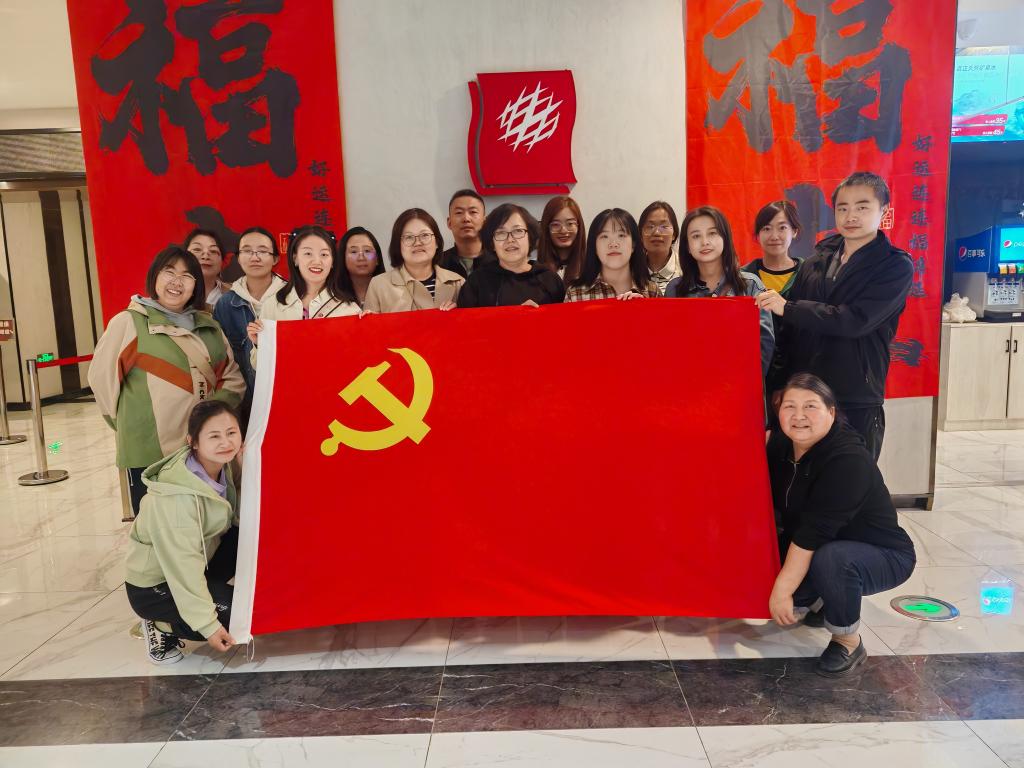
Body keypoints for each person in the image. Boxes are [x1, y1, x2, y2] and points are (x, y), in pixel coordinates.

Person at [767, 373, 915, 678]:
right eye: (789, 406)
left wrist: (782, 590)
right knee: (771, 569)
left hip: (881, 554)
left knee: (833, 560)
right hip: (820, 544)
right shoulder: (781, 445)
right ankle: (820, 596)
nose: (798, 416)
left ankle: (847, 640)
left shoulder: (849, 460)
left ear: (831, 412)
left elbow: (812, 534)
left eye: (810, 406)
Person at [757, 172, 913, 460]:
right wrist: (780, 383)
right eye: (843, 208)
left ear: (884, 211)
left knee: (851, 475)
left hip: (854, 395)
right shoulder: (816, 262)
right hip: (805, 393)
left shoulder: (894, 266)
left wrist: (788, 307)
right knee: (799, 473)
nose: (850, 216)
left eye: (862, 207)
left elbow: (854, 320)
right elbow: (790, 333)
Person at [89, 246, 245, 516]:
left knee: (210, 525)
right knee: (158, 528)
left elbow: (233, 379)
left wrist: (208, 417)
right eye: (169, 272)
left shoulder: (209, 327)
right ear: (155, 277)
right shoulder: (128, 323)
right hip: (150, 455)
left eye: (186, 276)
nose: (176, 281)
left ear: (195, 286)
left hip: (205, 452)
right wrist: (133, 427)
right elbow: (102, 382)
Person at [125, 400, 243, 664]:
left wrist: (247, 468)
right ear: (193, 442)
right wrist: (208, 625)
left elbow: (240, 520)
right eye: (214, 436)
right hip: (156, 587)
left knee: (245, 536)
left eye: (231, 433)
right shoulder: (175, 499)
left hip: (200, 562)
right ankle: (160, 624)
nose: (226, 442)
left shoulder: (220, 466)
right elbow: (183, 566)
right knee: (240, 615)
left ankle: (214, 598)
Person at [666, 206, 774, 376]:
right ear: (687, 246)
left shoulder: (749, 285)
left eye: (712, 233)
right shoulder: (675, 289)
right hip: (690, 382)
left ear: (725, 237)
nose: (705, 242)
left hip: (738, 383)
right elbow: (669, 345)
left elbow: (764, 344)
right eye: (696, 236)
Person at [212, 227, 287, 427]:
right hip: (244, 405)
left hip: (286, 397)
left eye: (262, 251)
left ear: (275, 258)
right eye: (247, 251)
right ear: (238, 257)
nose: (255, 257)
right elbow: (222, 359)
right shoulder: (226, 304)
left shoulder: (292, 297)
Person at [246, 225, 360, 355]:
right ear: (295, 258)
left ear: (333, 261)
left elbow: (358, 357)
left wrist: (370, 325)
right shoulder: (273, 305)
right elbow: (258, 364)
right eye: (308, 253)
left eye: (324, 254)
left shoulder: (349, 309)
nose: (317, 261)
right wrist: (259, 344)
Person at [457, 203, 565, 308]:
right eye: (501, 233)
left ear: (530, 237)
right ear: (492, 243)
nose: (510, 239)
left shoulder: (550, 280)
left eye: (518, 231)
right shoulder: (477, 282)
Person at [364, 209, 464, 312]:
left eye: (424, 235)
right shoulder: (378, 285)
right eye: (409, 237)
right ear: (398, 245)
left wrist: (460, 315)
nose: (417, 243)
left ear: (437, 242)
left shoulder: (458, 283)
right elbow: (370, 323)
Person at [566, 208, 660, 301]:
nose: (613, 244)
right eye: (604, 236)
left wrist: (644, 307)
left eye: (621, 235)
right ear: (594, 246)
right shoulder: (575, 294)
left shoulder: (652, 292)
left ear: (633, 245)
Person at [743, 200, 803, 337]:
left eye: (782, 228)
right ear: (757, 235)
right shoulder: (743, 277)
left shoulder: (810, 274)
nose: (774, 236)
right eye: (766, 229)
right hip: (757, 350)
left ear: (794, 231)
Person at [439, 189, 492, 278]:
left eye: (473, 212)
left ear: (484, 222)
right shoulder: (438, 265)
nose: (466, 219)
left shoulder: (499, 262)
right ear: (449, 223)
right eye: (459, 212)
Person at [537, 195, 586, 283]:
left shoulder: (591, 267)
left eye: (570, 224)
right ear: (546, 228)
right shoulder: (534, 270)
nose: (563, 230)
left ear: (579, 226)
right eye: (556, 224)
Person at [638, 201, 682, 294]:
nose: (657, 232)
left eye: (664, 226)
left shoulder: (686, 269)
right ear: (641, 235)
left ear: (674, 234)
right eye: (650, 227)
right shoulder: (631, 271)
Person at [340, 226, 385, 308]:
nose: (361, 258)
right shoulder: (331, 297)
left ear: (377, 259)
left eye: (367, 251)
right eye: (354, 252)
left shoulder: (390, 292)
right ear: (342, 258)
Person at [185, 229, 228, 309]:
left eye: (213, 251)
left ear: (222, 262)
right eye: (197, 249)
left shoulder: (237, 295)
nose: (205, 256)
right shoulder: (171, 291)